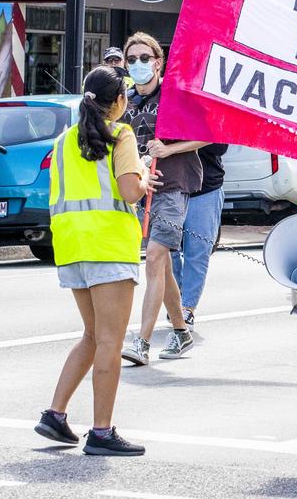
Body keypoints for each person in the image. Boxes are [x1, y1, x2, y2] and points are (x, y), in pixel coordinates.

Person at [35, 66, 154, 456]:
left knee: (91, 335)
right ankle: (101, 431)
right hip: (108, 246)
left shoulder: (64, 139)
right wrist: (145, 177)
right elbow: (129, 191)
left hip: (71, 247)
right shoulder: (122, 134)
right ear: (119, 102)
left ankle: (55, 414)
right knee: (109, 341)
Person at [119, 32, 207, 366]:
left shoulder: (174, 95)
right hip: (141, 190)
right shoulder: (125, 101)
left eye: (145, 58)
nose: (138, 64)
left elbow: (205, 134)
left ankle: (141, 341)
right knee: (164, 262)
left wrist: (168, 149)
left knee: (155, 256)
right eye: (132, 59)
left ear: (158, 62)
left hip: (174, 185)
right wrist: (139, 170)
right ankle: (182, 331)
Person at [171, 143, 228, 326]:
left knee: (197, 251)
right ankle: (175, 295)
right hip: (169, 186)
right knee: (165, 251)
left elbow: (220, 147)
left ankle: (187, 308)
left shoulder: (211, 113)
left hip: (206, 187)